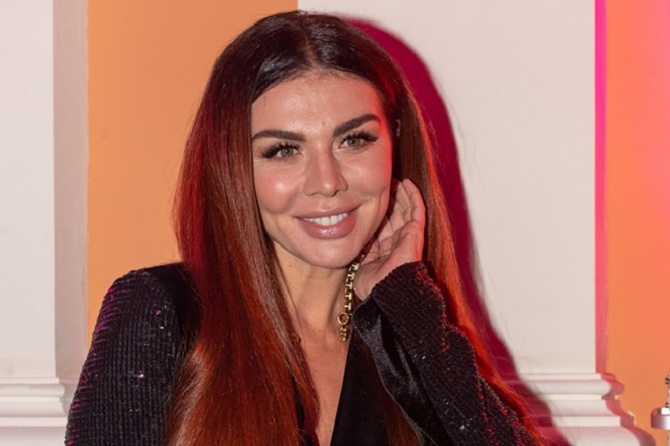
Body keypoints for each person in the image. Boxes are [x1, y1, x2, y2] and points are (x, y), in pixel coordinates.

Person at [66, 10, 542, 446]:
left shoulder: (404, 334)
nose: (327, 182)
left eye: (354, 140)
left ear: (394, 143)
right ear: (233, 166)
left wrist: (407, 299)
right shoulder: (162, 312)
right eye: (283, 150)